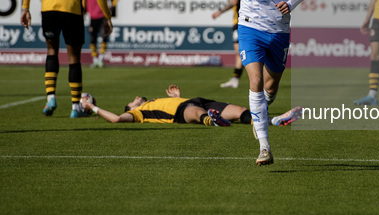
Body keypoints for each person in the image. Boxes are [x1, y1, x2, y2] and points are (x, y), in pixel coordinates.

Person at [216, 0, 312, 166]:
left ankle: (262, 114)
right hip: (249, 26)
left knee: (270, 88)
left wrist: (291, 3)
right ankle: (264, 147)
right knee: (255, 82)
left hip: (279, 29)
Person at [20, 0, 113, 118]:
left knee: (52, 52)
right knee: (74, 59)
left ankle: (50, 98)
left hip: (49, 8)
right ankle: (74, 108)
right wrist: (108, 17)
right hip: (72, 9)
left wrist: (25, 8)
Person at [81, 84, 303, 127]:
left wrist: (178, 96)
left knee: (242, 111)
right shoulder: (138, 113)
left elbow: (176, 102)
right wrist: (92, 108)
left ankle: (274, 120)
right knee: (198, 114)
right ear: (130, 108)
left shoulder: (152, 102)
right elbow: (117, 119)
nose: (135, 99)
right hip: (182, 112)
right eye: (131, 102)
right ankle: (211, 120)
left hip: (193, 101)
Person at [212, 0, 243, 88]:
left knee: (239, 51)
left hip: (240, 21)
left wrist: (220, 11)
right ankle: (236, 78)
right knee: (240, 51)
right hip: (249, 20)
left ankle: (238, 78)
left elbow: (234, 0)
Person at [83, 0, 120, 68]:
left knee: (104, 36)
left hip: (103, 15)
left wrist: (113, 5)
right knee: (93, 38)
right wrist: (84, 10)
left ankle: (101, 58)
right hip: (93, 16)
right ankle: (94, 59)